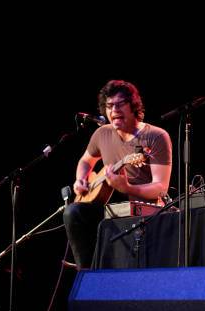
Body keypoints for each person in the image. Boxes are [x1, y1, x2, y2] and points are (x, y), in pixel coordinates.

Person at [63, 80, 172, 269]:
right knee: (73, 212)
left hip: (144, 210)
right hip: (109, 206)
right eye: (109, 106)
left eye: (120, 104)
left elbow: (160, 188)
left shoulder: (156, 136)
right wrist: (80, 179)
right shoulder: (102, 133)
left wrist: (128, 188)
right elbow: (85, 161)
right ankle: (86, 273)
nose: (114, 110)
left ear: (133, 106)